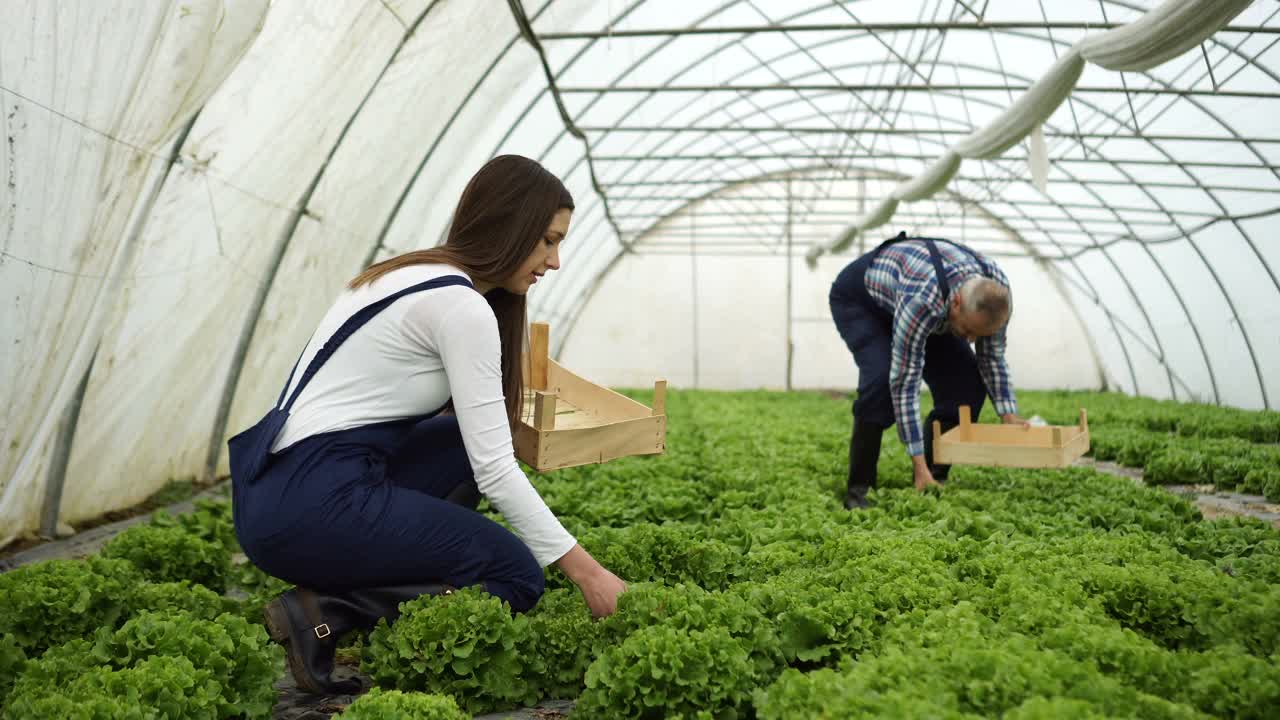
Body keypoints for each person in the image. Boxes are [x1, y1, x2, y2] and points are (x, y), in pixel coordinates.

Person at [228, 155, 627, 694]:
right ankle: (328, 610)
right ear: (510, 227)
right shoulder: (460, 307)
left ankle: (387, 574)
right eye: (548, 241)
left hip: (277, 491)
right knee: (516, 577)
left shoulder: (408, 274)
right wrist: (590, 575)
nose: (555, 261)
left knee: (462, 442)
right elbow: (495, 471)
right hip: (315, 502)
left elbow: (473, 439)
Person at [828, 231, 1027, 509]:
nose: (970, 340)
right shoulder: (923, 298)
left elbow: (992, 357)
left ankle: (933, 477)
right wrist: (916, 460)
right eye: (968, 330)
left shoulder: (996, 296)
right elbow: (905, 381)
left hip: (924, 304)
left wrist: (1008, 413)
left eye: (977, 334)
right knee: (882, 379)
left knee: (965, 386)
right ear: (956, 302)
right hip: (864, 303)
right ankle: (860, 488)